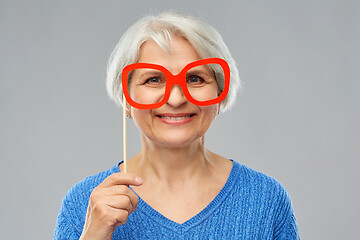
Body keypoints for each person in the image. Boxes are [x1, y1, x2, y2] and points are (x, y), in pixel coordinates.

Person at [54, 12, 300, 239]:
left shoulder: (266, 199)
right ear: (126, 99)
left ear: (221, 92)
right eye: (153, 80)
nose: (176, 99)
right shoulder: (82, 203)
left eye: (195, 78)